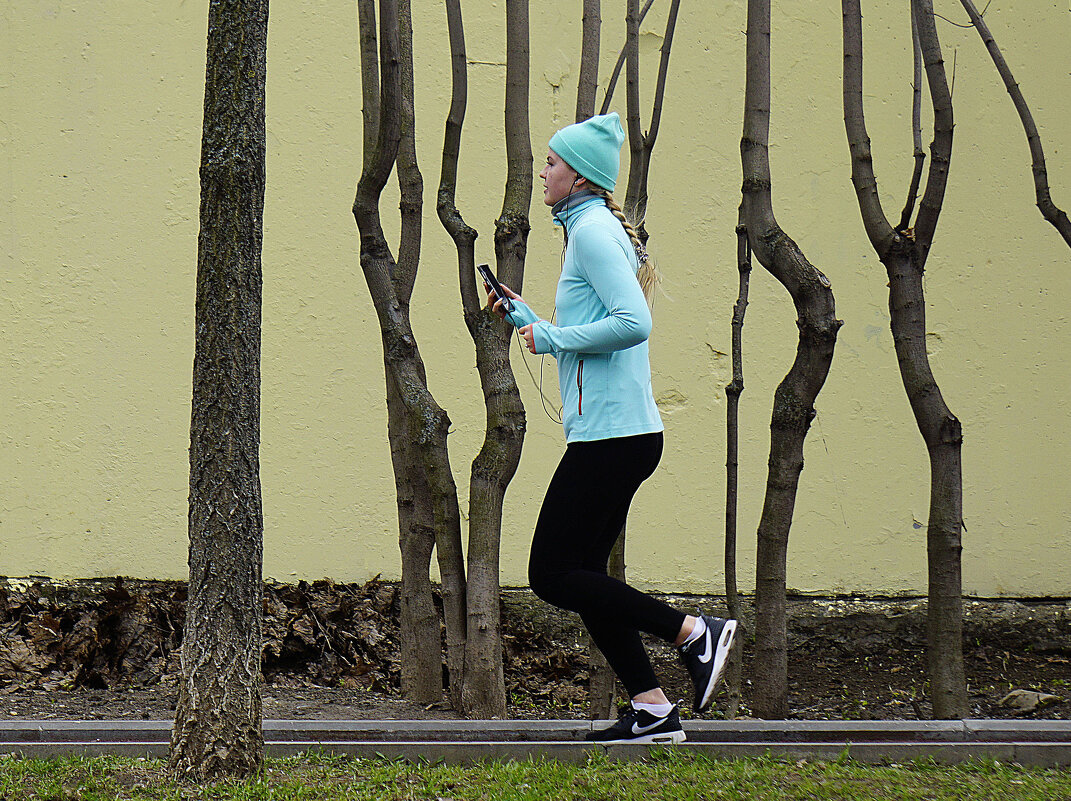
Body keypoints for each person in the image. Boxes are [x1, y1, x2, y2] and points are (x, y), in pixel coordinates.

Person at [486, 112, 738, 744]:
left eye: (551, 162)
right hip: (616, 434)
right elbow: (598, 325)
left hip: (615, 438)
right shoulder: (587, 230)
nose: (542, 171)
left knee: (550, 572)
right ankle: (653, 710)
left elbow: (633, 323)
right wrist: (528, 317)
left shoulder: (593, 231)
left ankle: (690, 632)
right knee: (587, 579)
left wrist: (550, 336)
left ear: (579, 175)